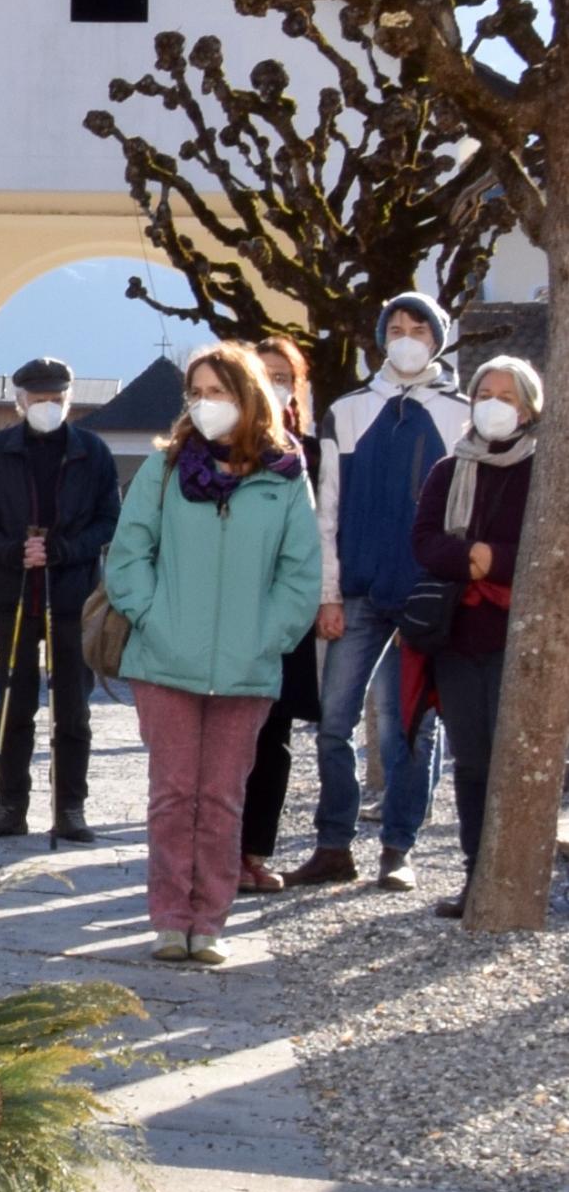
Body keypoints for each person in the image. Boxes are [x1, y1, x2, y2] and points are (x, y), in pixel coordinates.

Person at [99, 342, 323, 964]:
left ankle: (211, 923)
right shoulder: (165, 468)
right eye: (196, 393)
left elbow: (300, 572)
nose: (205, 404)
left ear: (247, 396)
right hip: (165, 661)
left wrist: (269, 636)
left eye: (217, 392)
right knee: (174, 795)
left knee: (223, 798)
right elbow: (129, 556)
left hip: (247, 666)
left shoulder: (285, 475)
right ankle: (171, 918)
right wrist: (153, 618)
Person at [283, 294, 472, 890]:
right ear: (382, 337)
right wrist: (328, 594)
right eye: (396, 328)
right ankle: (333, 844)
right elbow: (328, 508)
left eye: (419, 328)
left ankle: (399, 847)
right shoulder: (348, 411)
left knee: (408, 727)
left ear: (438, 338)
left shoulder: (462, 415)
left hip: (425, 597)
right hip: (359, 593)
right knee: (333, 724)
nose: (407, 338)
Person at [0, 356, 122, 846]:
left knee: (72, 707)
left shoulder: (93, 452)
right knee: (14, 703)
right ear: (20, 401)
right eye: (38, 400)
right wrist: (13, 550)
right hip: (14, 595)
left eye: (56, 399)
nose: (48, 407)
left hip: (73, 597)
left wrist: (63, 550)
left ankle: (69, 805)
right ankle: (9, 803)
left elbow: (108, 520)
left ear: (68, 400)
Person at [410, 353, 543, 917]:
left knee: (522, 761)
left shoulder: (546, 470)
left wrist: (498, 559)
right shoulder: (449, 470)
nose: (493, 405)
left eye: (506, 397)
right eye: (485, 394)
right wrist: (473, 557)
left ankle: (523, 878)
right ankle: (476, 876)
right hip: (460, 638)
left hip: (525, 638)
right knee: (471, 762)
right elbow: (424, 540)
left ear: (529, 408)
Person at [237, 336, 328, 892]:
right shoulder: (226, 451)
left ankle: (252, 852)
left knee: (274, 735)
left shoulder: (311, 454)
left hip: (286, 614)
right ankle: (213, 851)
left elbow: (323, 532)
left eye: (283, 377)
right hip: (230, 610)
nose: (273, 386)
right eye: (263, 375)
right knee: (227, 737)